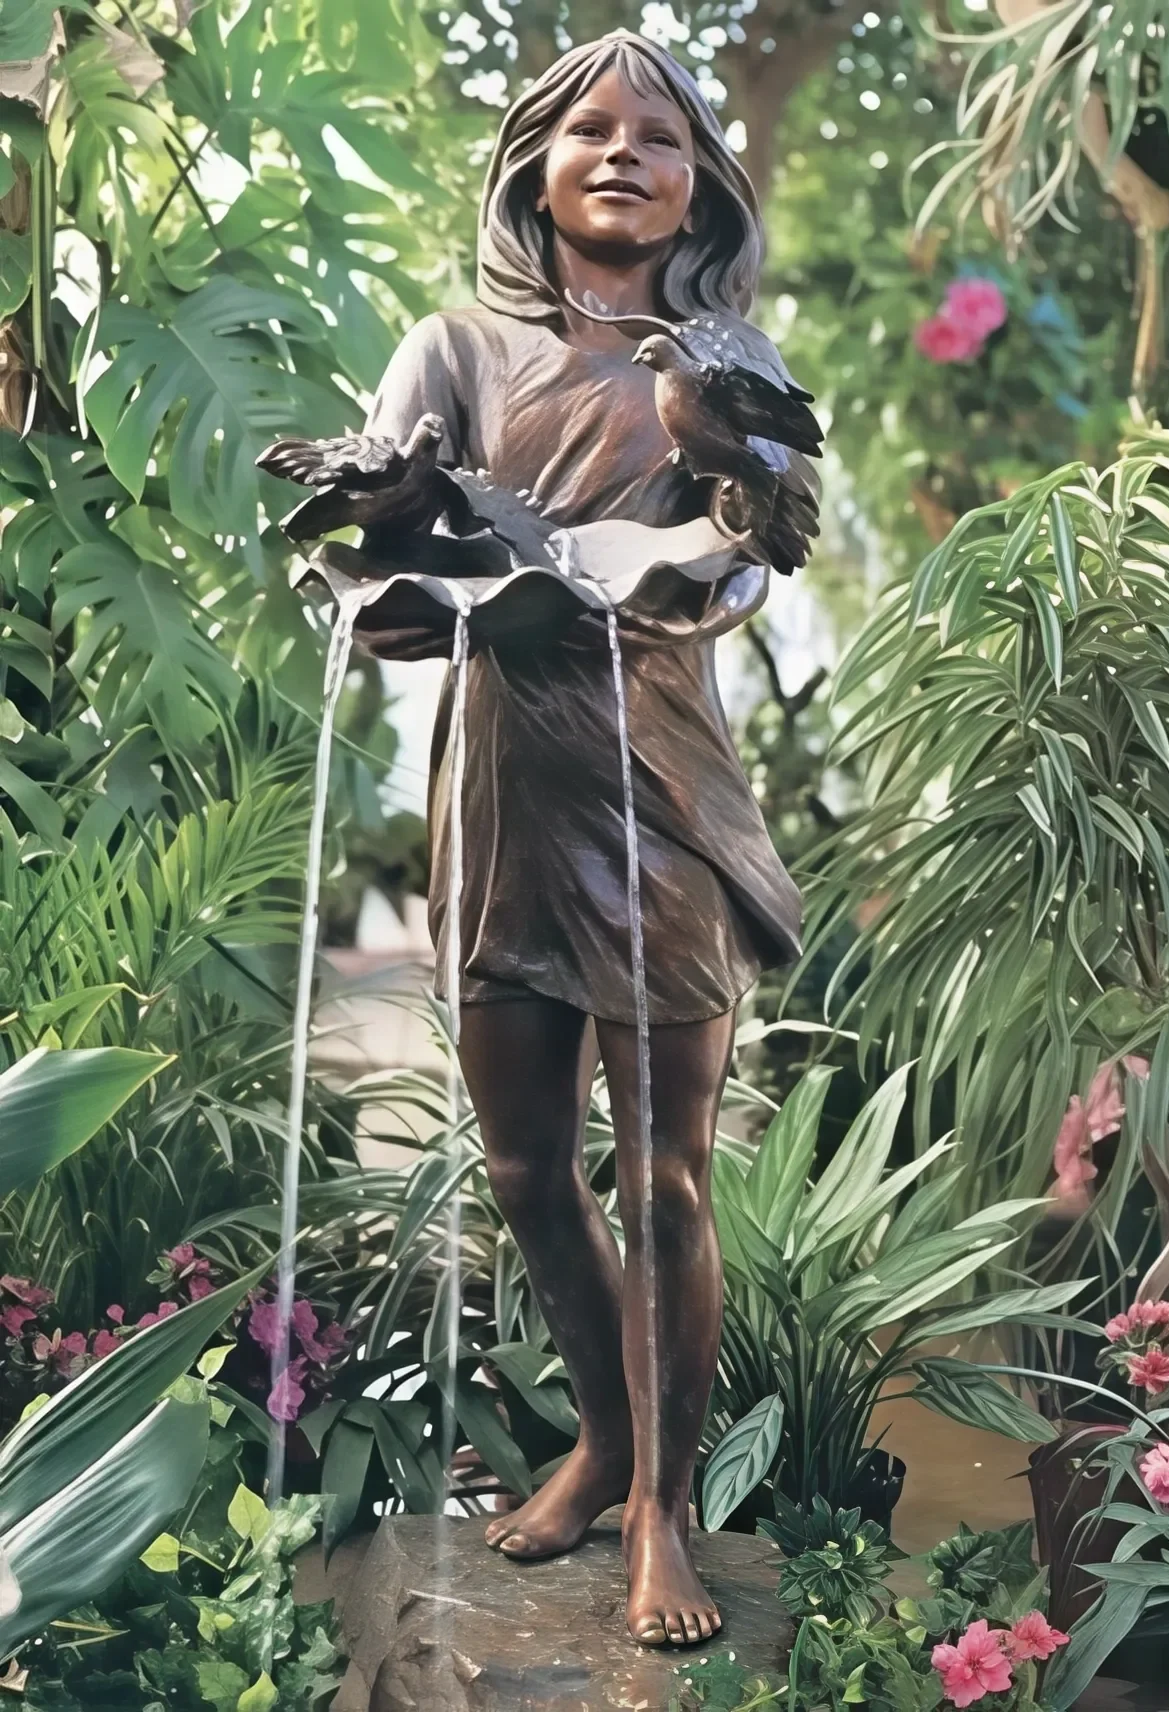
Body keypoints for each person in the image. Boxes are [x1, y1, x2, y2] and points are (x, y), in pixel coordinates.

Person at [358, 31, 813, 1648]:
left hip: (661, 778)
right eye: (590, 130)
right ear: (533, 163)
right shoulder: (455, 354)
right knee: (525, 1164)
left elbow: (749, 565)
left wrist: (709, 525)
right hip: (504, 786)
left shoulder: (718, 363)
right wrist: (396, 548)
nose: (625, 154)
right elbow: (376, 581)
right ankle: (606, 1446)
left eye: (662, 138)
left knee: (670, 1177)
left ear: (702, 181)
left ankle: (666, 1514)